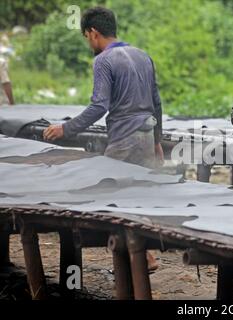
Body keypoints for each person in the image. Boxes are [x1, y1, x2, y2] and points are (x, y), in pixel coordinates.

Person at [43, 6, 162, 270]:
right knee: (136, 193)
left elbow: (99, 106)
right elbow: (157, 103)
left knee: (104, 192)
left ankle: (136, 259)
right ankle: (143, 257)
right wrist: (156, 141)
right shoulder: (143, 55)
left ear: (93, 33)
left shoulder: (104, 61)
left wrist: (66, 129)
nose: (89, 44)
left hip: (124, 138)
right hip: (145, 136)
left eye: (87, 38)